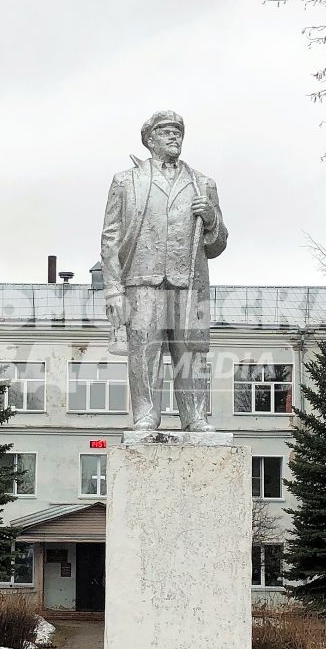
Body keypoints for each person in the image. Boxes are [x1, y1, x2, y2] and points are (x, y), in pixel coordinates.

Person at [99, 109, 228, 431]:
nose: (174, 137)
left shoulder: (203, 183)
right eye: (166, 131)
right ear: (150, 139)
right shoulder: (126, 181)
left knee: (192, 353)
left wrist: (211, 219)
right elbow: (110, 238)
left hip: (189, 284)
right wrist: (113, 289)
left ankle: (195, 416)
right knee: (144, 354)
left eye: (178, 132)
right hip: (142, 280)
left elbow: (217, 245)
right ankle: (146, 414)